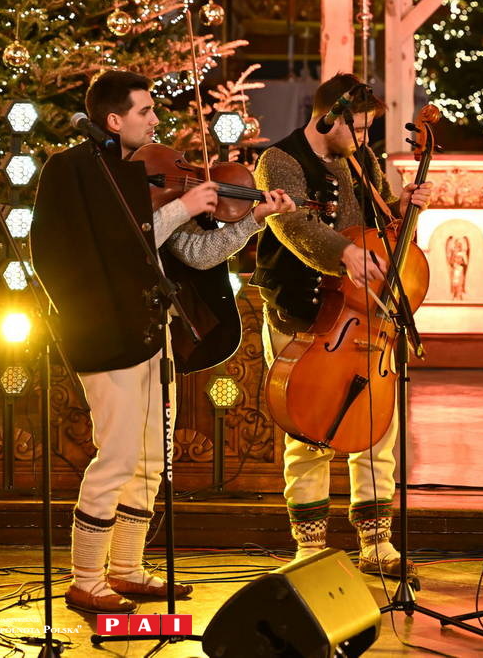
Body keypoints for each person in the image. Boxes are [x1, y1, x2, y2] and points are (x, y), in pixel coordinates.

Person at [30, 70, 294, 614]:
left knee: (152, 457)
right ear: (113, 119)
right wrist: (182, 207)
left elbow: (196, 254)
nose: (155, 120)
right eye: (145, 112)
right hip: (105, 332)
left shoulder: (150, 176)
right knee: (118, 453)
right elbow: (109, 247)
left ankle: (126, 569)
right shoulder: (74, 171)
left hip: (155, 332)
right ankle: (86, 577)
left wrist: (254, 220)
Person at [251, 73, 432, 578]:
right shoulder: (279, 160)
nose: (366, 139)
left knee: (376, 428)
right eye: (360, 128)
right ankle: (309, 548)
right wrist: (344, 252)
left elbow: (379, 224)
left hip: (361, 314)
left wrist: (402, 209)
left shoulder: (361, 158)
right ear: (328, 118)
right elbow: (290, 225)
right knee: (307, 429)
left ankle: (377, 545)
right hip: (305, 311)